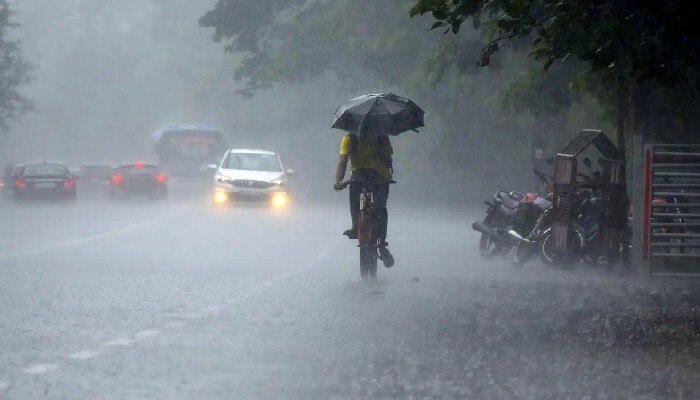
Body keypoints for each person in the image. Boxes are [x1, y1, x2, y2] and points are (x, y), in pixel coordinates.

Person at [334, 132, 394, 267]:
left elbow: (343, 161)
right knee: (381, 208)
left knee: (354, 194)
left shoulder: (349, 138)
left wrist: (338, 181)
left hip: (359, 177)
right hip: (379, 177)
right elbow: (388, 157)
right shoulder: (382, 136)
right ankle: (382, 246)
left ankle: (356, 225)